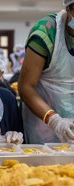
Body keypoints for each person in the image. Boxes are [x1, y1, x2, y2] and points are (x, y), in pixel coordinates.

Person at [18, 0, 74, 144]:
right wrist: (55, 121)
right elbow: (26, 87)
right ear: (69, 9)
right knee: (49, 165)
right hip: (45, 124)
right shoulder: (47, 31)